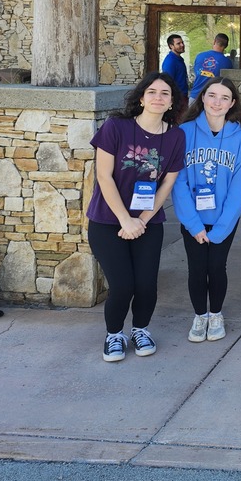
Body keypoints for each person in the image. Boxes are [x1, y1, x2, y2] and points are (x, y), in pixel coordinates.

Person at [85, 72, 185, 362]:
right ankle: (114, 334)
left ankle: (141, 329)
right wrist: (125, 220)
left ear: (171, 102)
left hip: (148, 223)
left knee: (145, 284)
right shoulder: (116, 127)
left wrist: (141, 219)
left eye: (165, 93)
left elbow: (167, 183)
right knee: (122, 285)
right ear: (141, 98)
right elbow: (104, 176)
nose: (158, 97)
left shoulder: (176, 136)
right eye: (152, 92)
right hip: (107, 221)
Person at [172, 77, 241, 343]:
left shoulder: (240, 138)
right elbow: (178, 182)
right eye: (212, 96)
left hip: (223, 219)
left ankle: (215, 314)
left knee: (217, 267)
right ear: (202, 98)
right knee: (196, 268)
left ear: (232, 104)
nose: (217, 102)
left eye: (224, 98)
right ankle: (200, 316)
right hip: (192, 217)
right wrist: (193, 225)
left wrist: (221, 228)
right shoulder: (184, 132)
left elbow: (240, 188)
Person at [190, 33, 233, 102]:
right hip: (212, 99)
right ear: (226, 46)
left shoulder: (200, 56)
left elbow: (195, 73)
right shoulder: (227, 62)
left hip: (195, 96)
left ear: (214, 41)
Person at [161, 33, 189, 100]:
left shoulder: (178, 59)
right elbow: (168, 82)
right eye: (178, 43)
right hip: (177, 98)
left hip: (182, 96)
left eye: (182, 42)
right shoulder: (170, 62)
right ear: (171, 46)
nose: (182, 45)